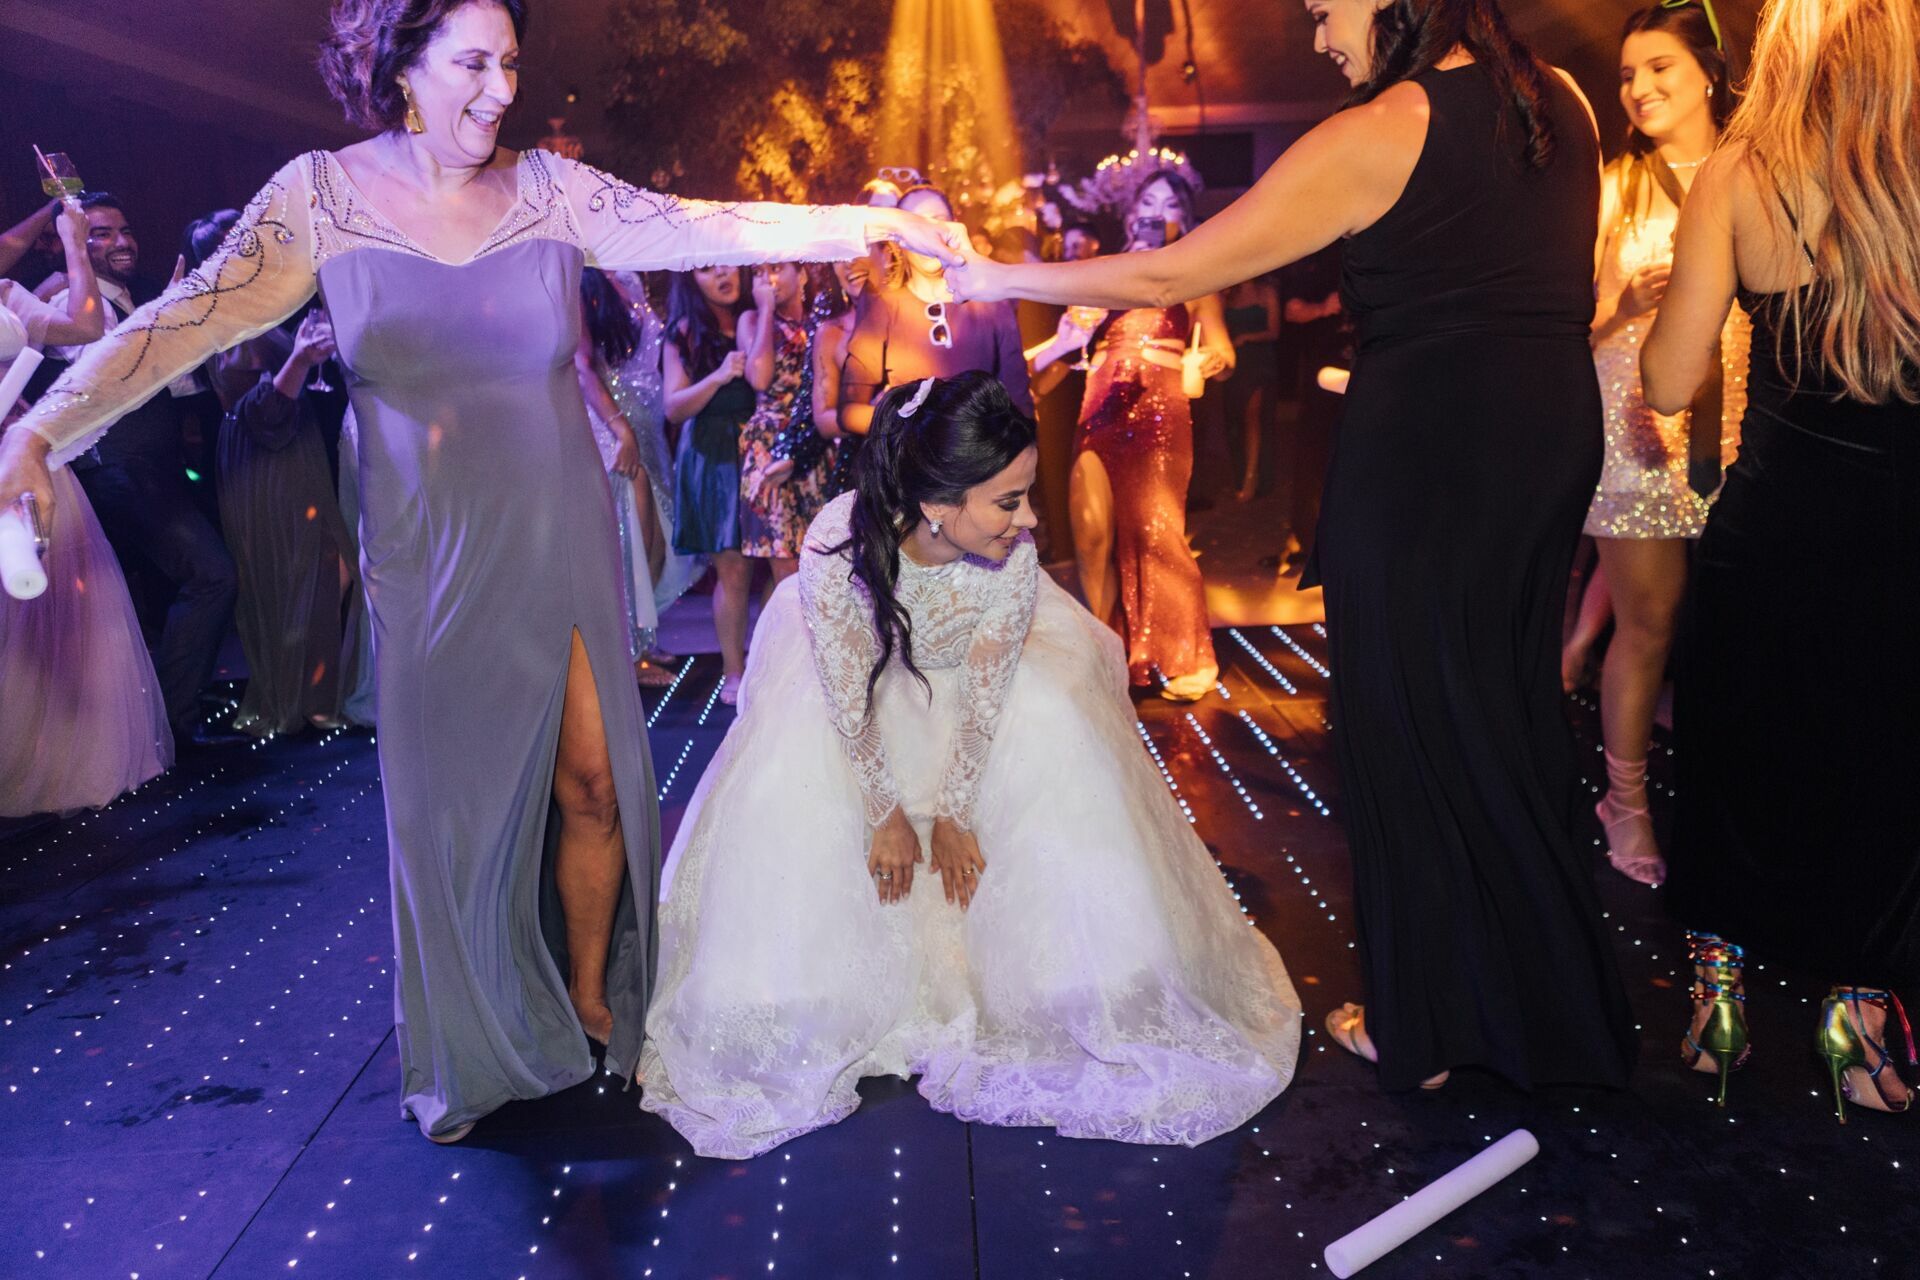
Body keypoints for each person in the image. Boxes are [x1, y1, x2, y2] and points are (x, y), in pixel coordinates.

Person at [0, 0, 970, 1143]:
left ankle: (594, 992)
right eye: (473, 62)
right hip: (429, 553)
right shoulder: (320, 196)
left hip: (556, 525)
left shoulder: (552, 190)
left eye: (511, 61)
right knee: (457, 815)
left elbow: (706, 223)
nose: (502, 87)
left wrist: (863, 221)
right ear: (399, 68)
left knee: (598, 780)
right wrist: (38, 431)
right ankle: (483, 1034)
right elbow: (177, 326)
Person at [950, 0, 1638, 1093]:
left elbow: (1166, 275)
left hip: (1425, 451)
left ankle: (1427, 1027)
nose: (1319, 35)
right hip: (1547, 436)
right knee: (1507, 714)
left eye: (1324, 9)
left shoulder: (1384, 130)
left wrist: (992, 277)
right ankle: (1546, 1007)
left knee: (1406, 727)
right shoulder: (1561, 103)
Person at [637, 372, 1300, 1158]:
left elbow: (985, 699)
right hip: (866, 693)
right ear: (937, 506)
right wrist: (884, 812)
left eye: (1027, 495)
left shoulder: (1013, 565)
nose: (1030, 522)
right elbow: (850, 695)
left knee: (1052, 725)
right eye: (1010, 501)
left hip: (970, 692)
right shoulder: (836, 543)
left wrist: (953, 811)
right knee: (801, 784)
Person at [1643, 0, 1919, 1119]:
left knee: (1733, 760)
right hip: (1898, 546)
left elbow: (1665, 382)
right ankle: (1856, 1016)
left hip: (1769, 536)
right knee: (1882, 774)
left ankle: (1718, 1001)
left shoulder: (1735, 177)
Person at [1561, 2, 1746, 887]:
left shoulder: (1758, 172)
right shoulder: (1613, 184)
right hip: (1633, 429)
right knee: (1649, 626)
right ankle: (1624, 801)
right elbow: (1573, 322)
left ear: (1707, 72)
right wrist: (1629, 307)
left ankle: (1741, 806)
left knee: (1744, 634)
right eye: (1629, 73)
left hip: (1746, 431)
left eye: (1659, 68)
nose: (1638, 89)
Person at [38, 192, 243, 749]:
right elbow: (103, 377)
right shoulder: (70, 301)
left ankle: (157, 718)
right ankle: (170, 724)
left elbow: (175, 384)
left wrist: (181, 322)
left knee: (162, 595)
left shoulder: (138, 300)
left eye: (125, 230)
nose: (122, 241)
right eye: (101, 233)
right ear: (74, 244)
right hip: (116, 470)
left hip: (159, 468)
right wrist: (164, 323)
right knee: (211, 575)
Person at [1026, 167, 1234, 702]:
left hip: (1160, 409)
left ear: (1184, 219)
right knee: (1091, 534)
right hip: (1100, 406)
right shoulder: (1107, 273)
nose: (1155, 212)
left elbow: (1226, 354)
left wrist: (1211, 359)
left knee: (1156, 531)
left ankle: (1185, 654)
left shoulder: (1194, 274)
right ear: (1130, 214)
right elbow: (1060, 354)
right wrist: (1078, 330)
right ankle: (1105, 650)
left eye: (1168, 204)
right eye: (1147, 201)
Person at [1, 201, 169, 817]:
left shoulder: (9, 292)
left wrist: (74, 239)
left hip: (26, 455)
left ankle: (70, 756)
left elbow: (86, 328)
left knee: (65, 607)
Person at [192, 207, 358, 738]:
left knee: (326, 569)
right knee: (299, 574)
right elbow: (259, 411)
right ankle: (297, 702)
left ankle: (312, 693)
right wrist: (303, 361)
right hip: (262, 457)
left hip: (291, 447)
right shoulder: (223, 312)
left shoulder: (265, 304)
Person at [839, 183, 1033, 438]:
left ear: (955, 227)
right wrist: (910, 427)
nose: (929, 236)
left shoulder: (992, 302)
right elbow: (850, 412)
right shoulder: (882, 304)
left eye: (938, 222)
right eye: (918, 225)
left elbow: (1020, 407)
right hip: (913, 470)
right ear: (900, 240)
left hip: (980, 465)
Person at [576, 267, 690, 685]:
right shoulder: (577, 275)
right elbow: (583, 363)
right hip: (614, 424)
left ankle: (641, 638)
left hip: (647, 422)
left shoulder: (628, 275)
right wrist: (620, 428)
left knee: (656, 538)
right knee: (629, 541)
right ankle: (626, 655)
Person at [664, 265, 757, 703]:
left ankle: (766, 657)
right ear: (690, 280)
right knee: (734, 568)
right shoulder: (685, 331)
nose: (722, 273)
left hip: (761, 445)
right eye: (706, 269)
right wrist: (719, 375)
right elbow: (674, 406)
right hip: (713, 452)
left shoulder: (758, 317)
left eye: (725, 263)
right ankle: (734, 672)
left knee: (779, 562)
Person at [736, 263, 821, 580]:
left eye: (775, 269)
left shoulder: (821, 321)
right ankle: (780, 630)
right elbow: (759, 377)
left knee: (814, 560)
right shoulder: (753, 320)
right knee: (783, 562)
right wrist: (767, 309)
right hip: (770, 442)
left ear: (801, 275)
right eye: (759, 272)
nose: (767, 278)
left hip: (813, 440)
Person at [1224, 274, 1282, 503]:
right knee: (1234, 421)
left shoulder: (1267, 292)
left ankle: (1252, 478)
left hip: (1258, 362)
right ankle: (1240, 475)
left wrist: (1247, 337)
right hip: (1233, 363)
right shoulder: (1228, 292)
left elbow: (1274, 331)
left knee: (1253, 418)